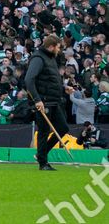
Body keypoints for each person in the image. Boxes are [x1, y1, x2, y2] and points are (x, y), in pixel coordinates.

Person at [25, 34, 70, 170]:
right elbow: (29, 80)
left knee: (63, 129)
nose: (59, 50)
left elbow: (50, 80)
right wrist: (37, 100)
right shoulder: (38, 58)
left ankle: (41, 154)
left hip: (54, 101)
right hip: (44, 102)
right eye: (58, 47)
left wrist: (64, 88)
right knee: (44, 132)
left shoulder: (50, 59)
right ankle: (43, 163)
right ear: (51, 47)